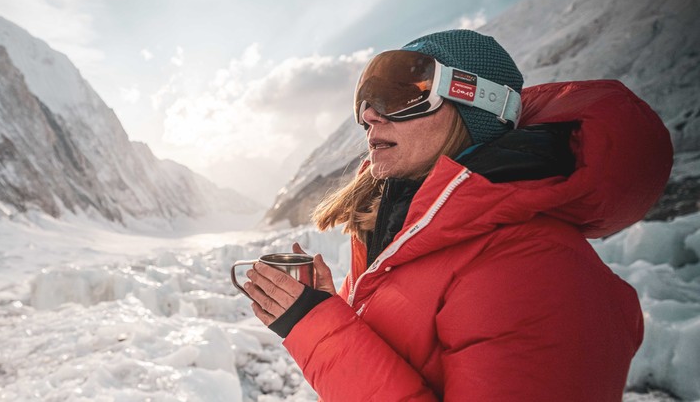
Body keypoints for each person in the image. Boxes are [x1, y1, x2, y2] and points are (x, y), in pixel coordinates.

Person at [241, 29, 672, 401]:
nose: (369, 116)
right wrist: (321, 314)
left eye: (398, 94)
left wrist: (319, 328)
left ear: (474, 102)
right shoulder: (403, 235)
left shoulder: (536, 270)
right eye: (366, 101)